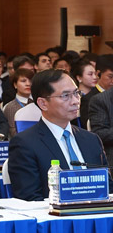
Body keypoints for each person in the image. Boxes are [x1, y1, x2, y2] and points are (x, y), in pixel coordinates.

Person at [9, 70, 107, 201]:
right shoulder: (24, 143)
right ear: (43, 103)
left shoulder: (91, 139)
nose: (75, 101)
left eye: (76, 93)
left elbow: (107, 188)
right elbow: (29, 198)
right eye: (65, 96)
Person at [2, 68, 35, 138]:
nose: (28, 84)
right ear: (15, 85)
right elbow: (13, 133)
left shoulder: (38, 104)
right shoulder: (10, 107)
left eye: (31, 81)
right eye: (23, 81)